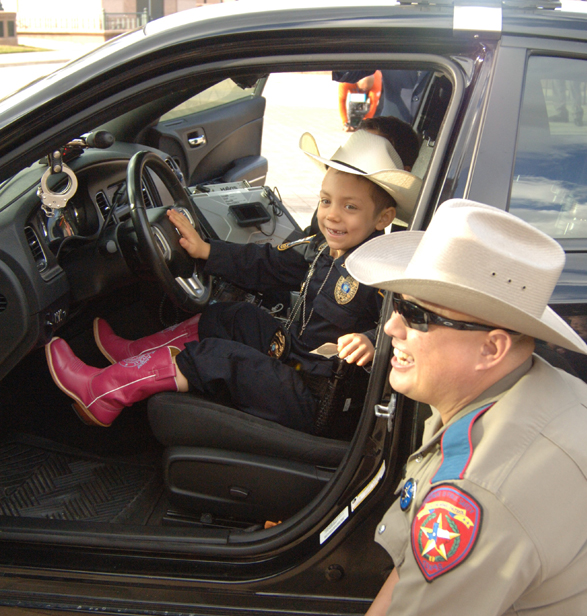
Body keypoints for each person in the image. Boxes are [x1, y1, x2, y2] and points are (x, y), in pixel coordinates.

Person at [314, 198, 587, 616]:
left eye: (416, 315)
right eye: (398, 305)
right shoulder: (544, 390)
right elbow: (417, 563)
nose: (391, 328)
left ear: (492, 348)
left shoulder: (477, 491)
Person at [44, 130, 421, 435]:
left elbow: (412, 329)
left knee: (218, 358)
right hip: (295, 357)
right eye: (325, 201)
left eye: (350, 207)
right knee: (231, 316)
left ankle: (103, 394)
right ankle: (132, 358)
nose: (331, 216)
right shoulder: (326, 248)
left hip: (318, 397)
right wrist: (206, 250)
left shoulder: (384, 272)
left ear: (383, 216)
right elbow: (271, 264)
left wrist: (373, 340)